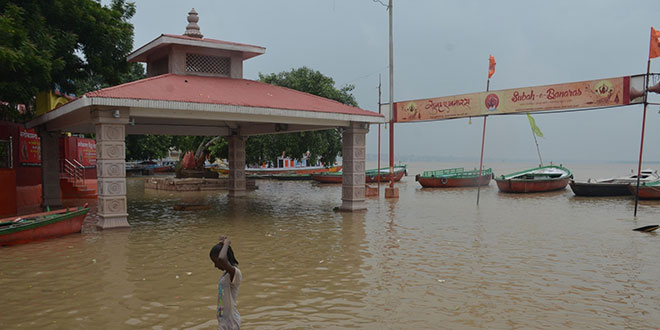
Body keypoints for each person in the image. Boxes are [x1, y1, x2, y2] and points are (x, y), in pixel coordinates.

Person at [209, 236, 242, 329]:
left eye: (216, 262)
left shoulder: (235, 273)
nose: (215, 265)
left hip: (231, 323)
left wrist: (227, 243)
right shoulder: (225, 274)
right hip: (224, 322)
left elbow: (221, 258)